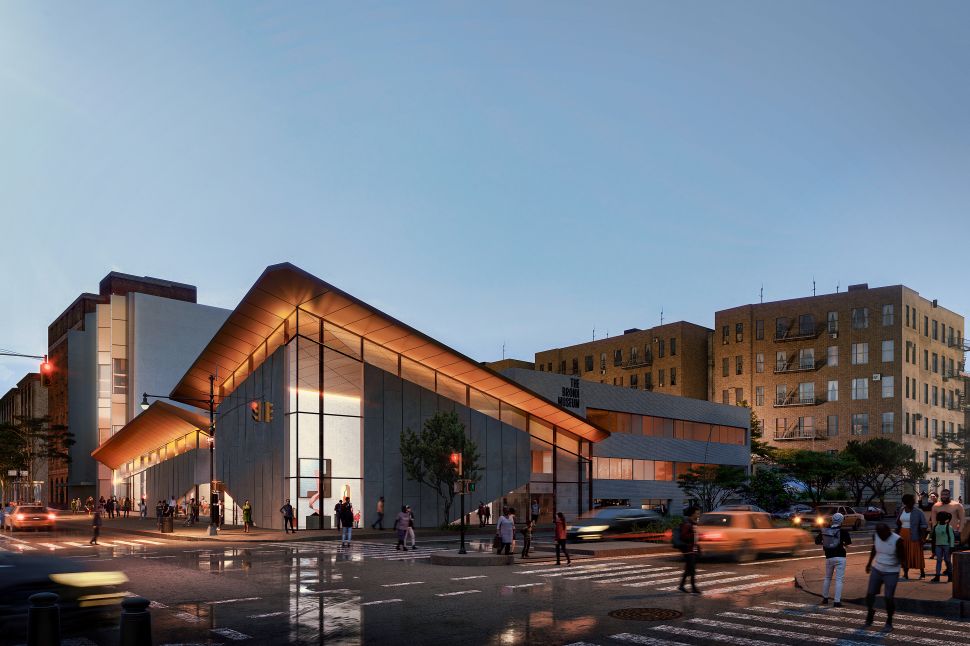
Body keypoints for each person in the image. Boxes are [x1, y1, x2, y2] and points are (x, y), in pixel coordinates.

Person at [865, 522, 905, 630]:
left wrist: (903, 563)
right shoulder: (876, 536)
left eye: (883, 534)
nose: (881, 537)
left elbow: (902, 557)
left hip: (892, 571)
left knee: (888, 597)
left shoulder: (897, 540)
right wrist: (869, 563)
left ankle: (889, 621)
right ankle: (870, 612)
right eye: (879, 534)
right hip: (877, 568)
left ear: (888, 532)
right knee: (870, 594)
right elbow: (874, 549)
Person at [816, 511, 852, 607]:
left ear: (832, 520)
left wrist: (825, 543)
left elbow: (817, 541)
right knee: (839, 579)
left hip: (829, 557)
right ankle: (837, 601)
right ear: (841, 521)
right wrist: (843, 544)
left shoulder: (825, 530)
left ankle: (825, 598)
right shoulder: (843, 531)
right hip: (840, 557)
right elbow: (848, 543)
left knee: (827, 578)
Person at [896, 493, 927, 579]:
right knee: (904, 554)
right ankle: (905, 574)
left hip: (914, 534)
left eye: (913, 501)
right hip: (902, 534)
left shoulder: (918, 511)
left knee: (916, 553)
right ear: (906, 502)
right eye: (912, 501)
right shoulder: (902, 510)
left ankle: (922, 572)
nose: (913, 502)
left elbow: (924, 525)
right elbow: (898, 522)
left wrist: (923, 537)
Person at [677, 506, 701, 594]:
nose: (698, 515)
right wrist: (693, 534)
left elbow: (695, 537)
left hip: (692, 549)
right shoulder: (687, 523)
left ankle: (681, 586)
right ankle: (693, 587)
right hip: (688, 549)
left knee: (688, 568)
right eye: (697, 513)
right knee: (692, 569)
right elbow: (683, 536)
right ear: (692, 514)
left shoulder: (693, 523)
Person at [931, 510, 955, 583]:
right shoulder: (936, 527)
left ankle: (950, 575)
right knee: (939, 560)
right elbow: (934, 537)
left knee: (947, 560)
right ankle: (938, 576)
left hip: (946, 545)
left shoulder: (948, 527)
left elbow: (952, 537)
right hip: (938, 545)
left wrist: (951, 547)